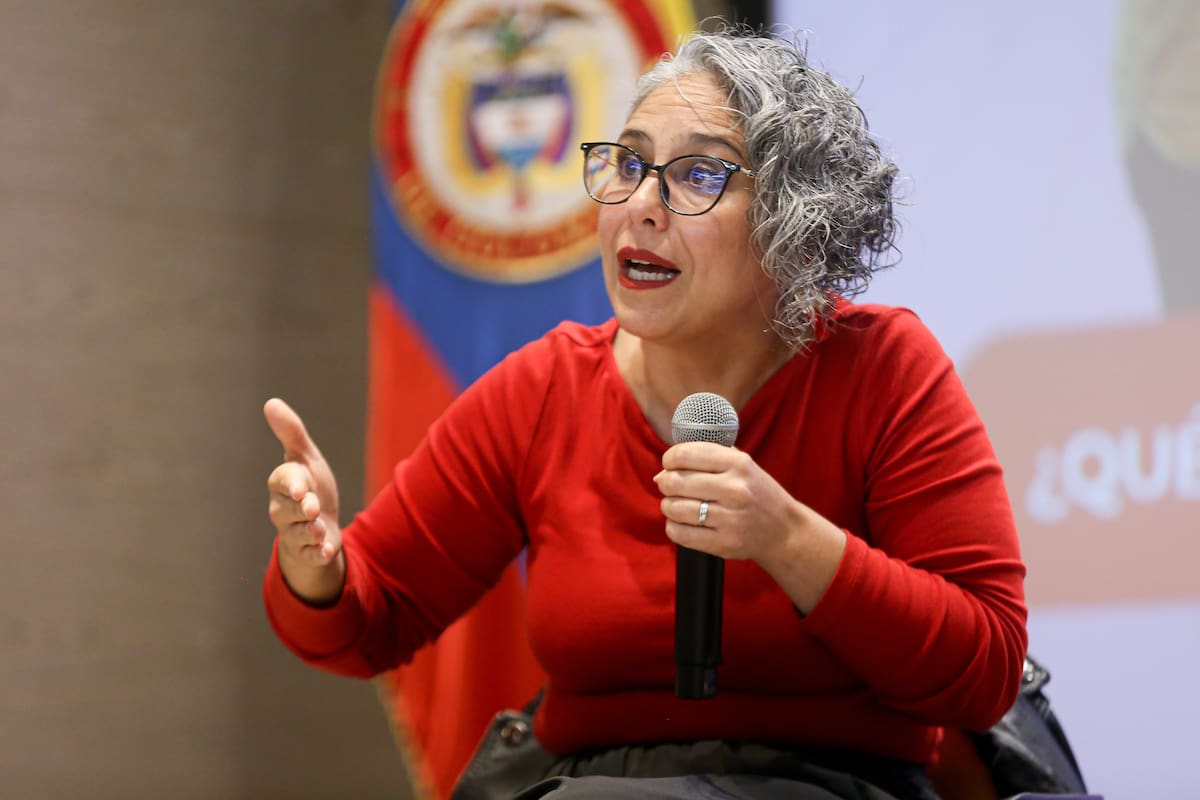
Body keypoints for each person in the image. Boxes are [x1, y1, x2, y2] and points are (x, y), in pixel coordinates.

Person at [262, 27, 1028, 800]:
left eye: (698, 175)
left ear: (794, 222)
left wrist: (787, 537)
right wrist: (316, 563)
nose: (640, 206)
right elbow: (369, 622)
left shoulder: (879, 366)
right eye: (628, 165)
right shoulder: (546, 389)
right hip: (592, 784)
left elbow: (986, 671)